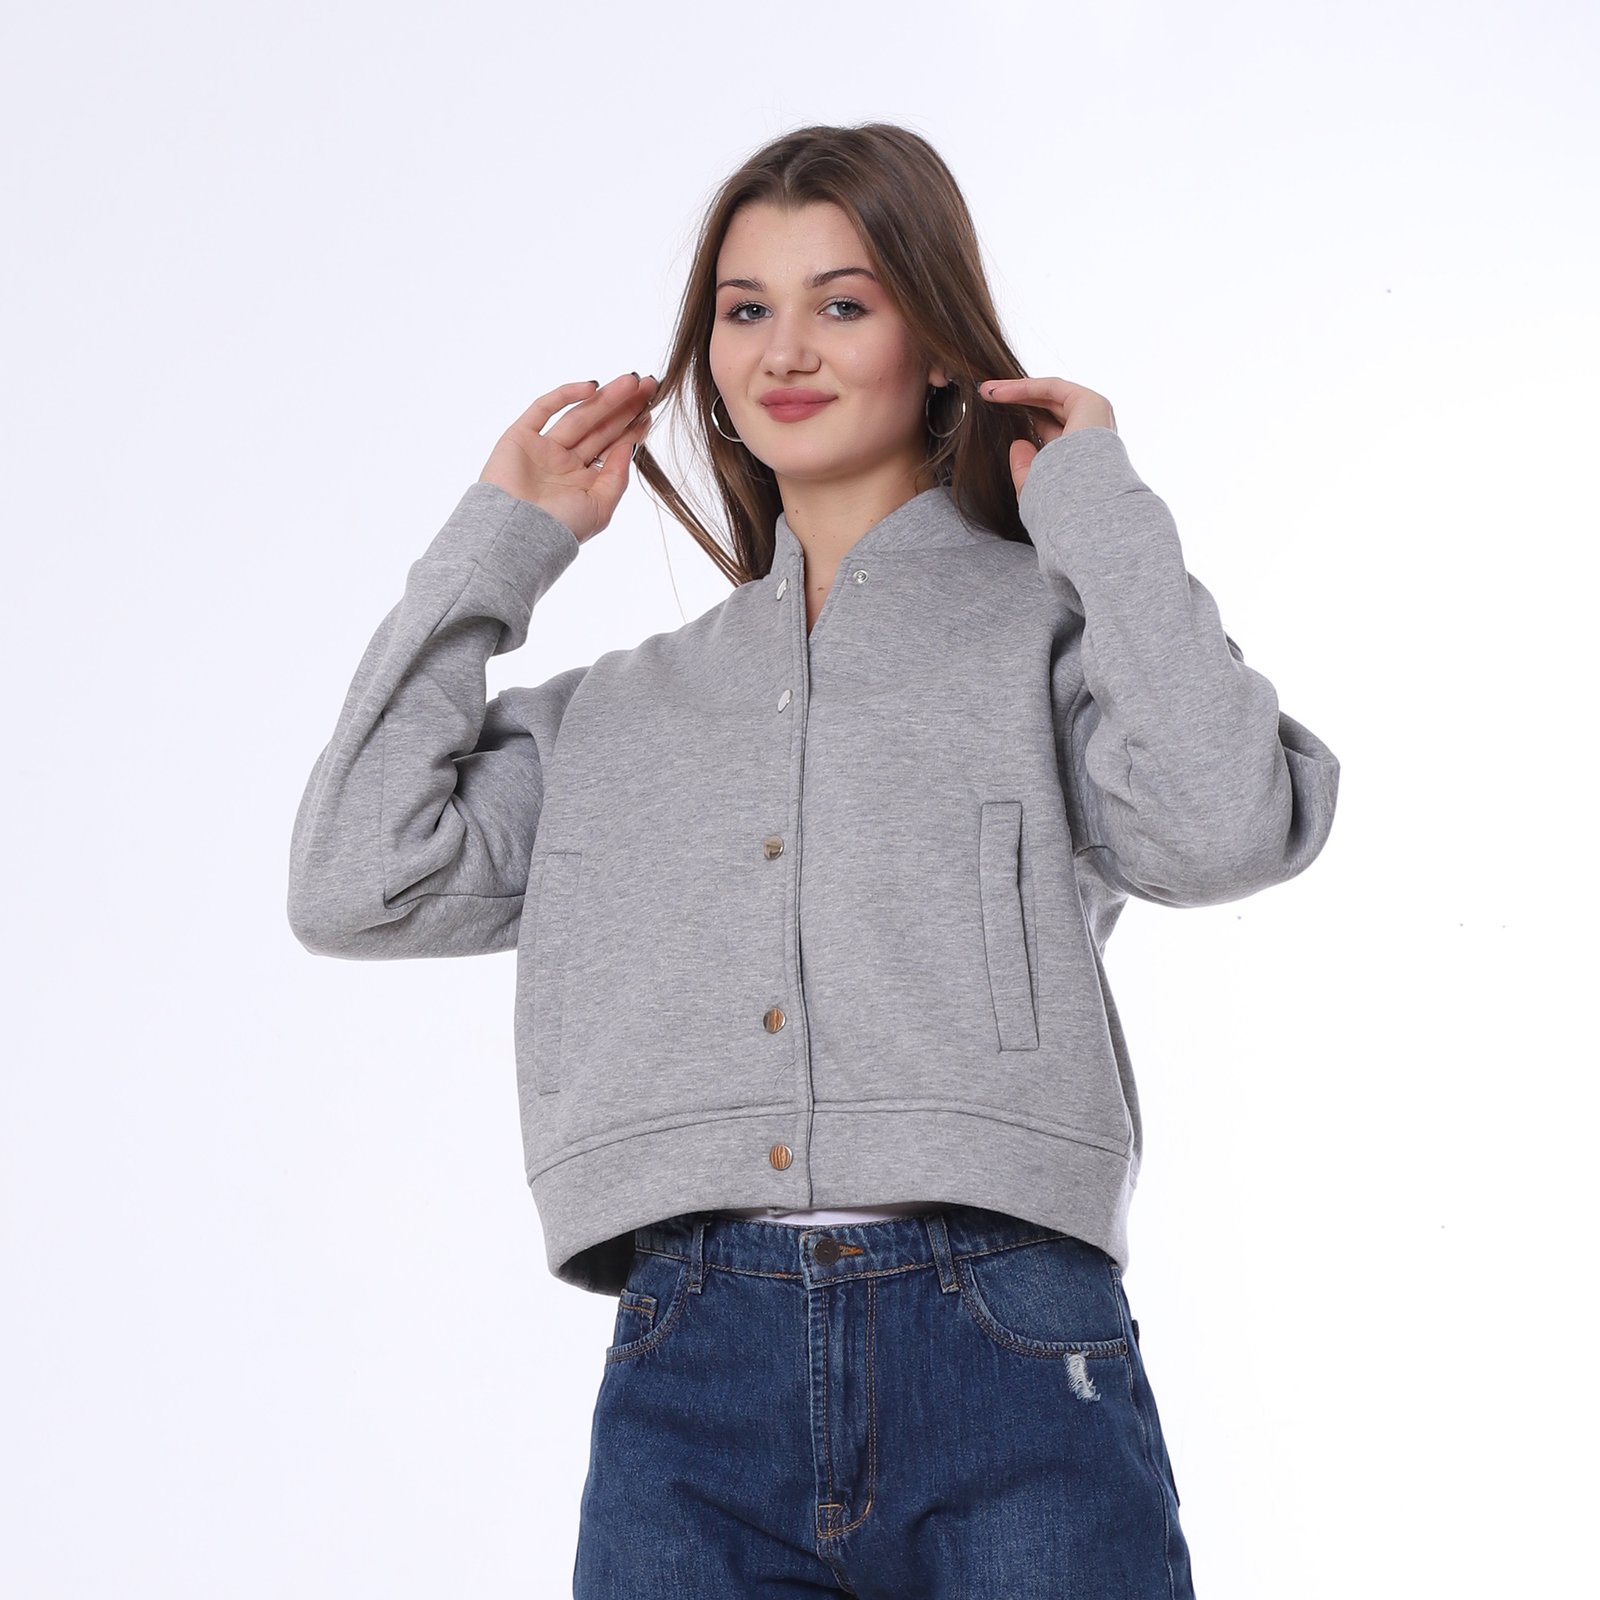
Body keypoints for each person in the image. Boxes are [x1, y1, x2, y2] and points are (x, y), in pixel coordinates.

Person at [287, 122, 1339, 1597]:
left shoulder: (1048, 641)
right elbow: (355, 878)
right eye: (745, 309)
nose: (785, 350)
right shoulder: (627, 710)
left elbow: (1229, 827)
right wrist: (500, 547)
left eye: (842, 303)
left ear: (939, 344)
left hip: (1012, 1342)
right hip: (693, 1366)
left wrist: (1098, 514)